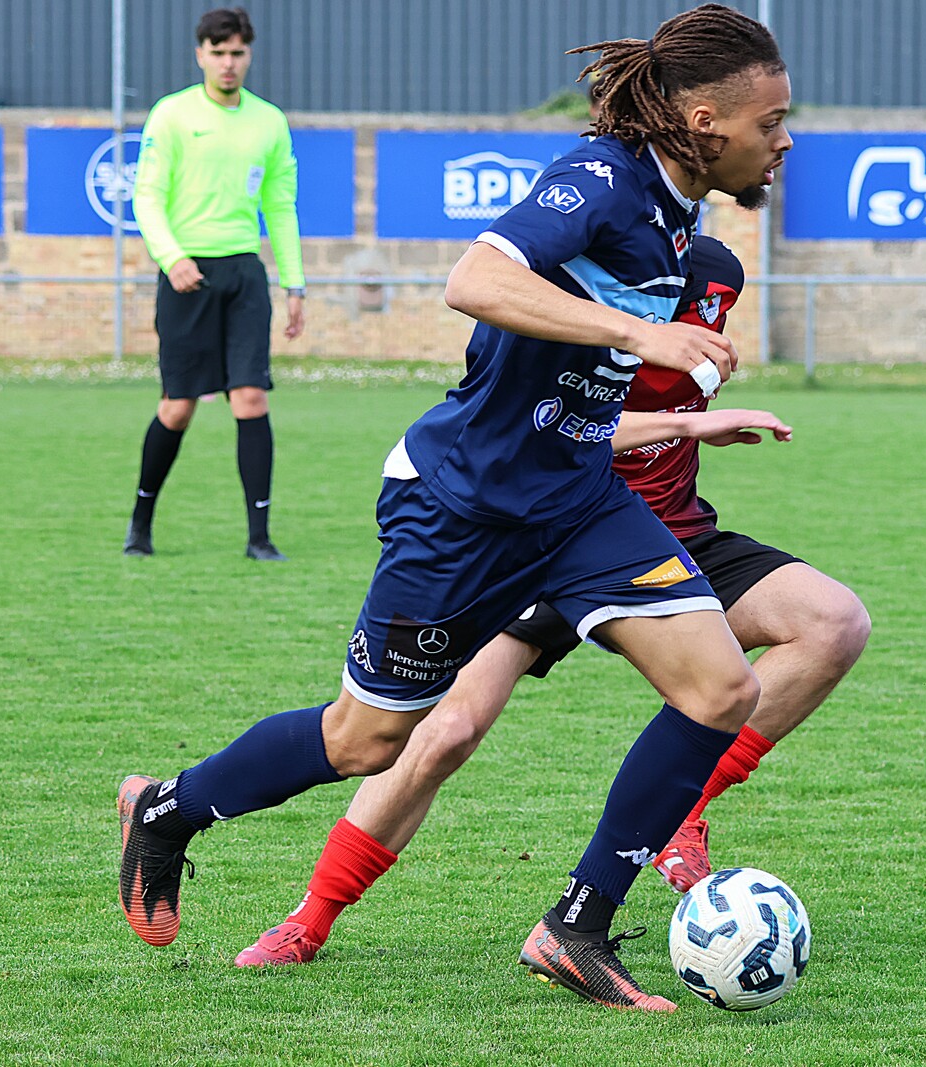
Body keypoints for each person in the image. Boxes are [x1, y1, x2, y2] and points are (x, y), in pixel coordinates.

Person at [116, 3, 793, 1012]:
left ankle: (575, 926)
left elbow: (570, 391)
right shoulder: (602, 178)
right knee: (365, 741)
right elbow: (474, 279)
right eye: (770, 122)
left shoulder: (679, 206)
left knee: (720, 688)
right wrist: (638, 334)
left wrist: (682, 422)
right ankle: (170, 808)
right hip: (463, 508)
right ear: (704, 122)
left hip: (577, 501)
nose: (784, 141)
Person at [233, 235, 871, 980]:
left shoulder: (714, 273)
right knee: (443, 732)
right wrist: (685, 421)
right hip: (547, 536)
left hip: (667, 536)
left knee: (831, 622)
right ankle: (310, 917)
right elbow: (554, 428)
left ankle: (682, 815)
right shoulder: (572, 293)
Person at [123, 6, 306, 562]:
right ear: (201, 54)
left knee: (250, 397)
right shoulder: (172, 114)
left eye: (237, 53)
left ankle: (259, 538)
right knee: (178, 406)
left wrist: (295, 284)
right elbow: (147, 196)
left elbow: (280, 206)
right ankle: (140, 524)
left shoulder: (269, 121)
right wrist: (172, 257)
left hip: (244, 272)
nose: (228, 63)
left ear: (249, 55)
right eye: (218, 52)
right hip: (187, 276)